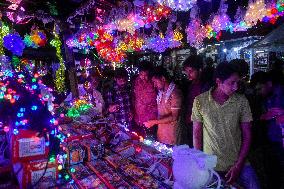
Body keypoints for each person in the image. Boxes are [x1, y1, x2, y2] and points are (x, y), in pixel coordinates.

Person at [191, 63, 260, 188]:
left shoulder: (241, 101)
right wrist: (199, 160)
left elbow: (247, 134)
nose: (235, 87)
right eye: (231, 83)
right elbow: (197, 133)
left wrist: (239, 165)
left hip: (239, 161)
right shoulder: (200, 101)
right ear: (218, 81)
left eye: (237, 82)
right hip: (211, 163)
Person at [177, 55, 212, 146]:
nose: (188, 75)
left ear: (200, 69)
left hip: (200, 125)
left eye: (191, 71)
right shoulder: (192, 84)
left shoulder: (206, 86)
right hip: (190, 122)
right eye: (186, 72)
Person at [143, 67, 182, 145]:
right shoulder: (161, 92)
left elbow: (174, 117)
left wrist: (153, 122)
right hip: (162, 134)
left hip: (172, 136)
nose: (154, 85)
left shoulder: (175, 93)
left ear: (163, 78)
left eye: (155, 82)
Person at [132, 61, 157, 137]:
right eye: (141, 74)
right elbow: (134, 98)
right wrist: (135, 114)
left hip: (151, 119)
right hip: (138, 118)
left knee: (151, 141)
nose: (143, 77)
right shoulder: (136, 81)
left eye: (146, 75)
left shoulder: (154, 82)